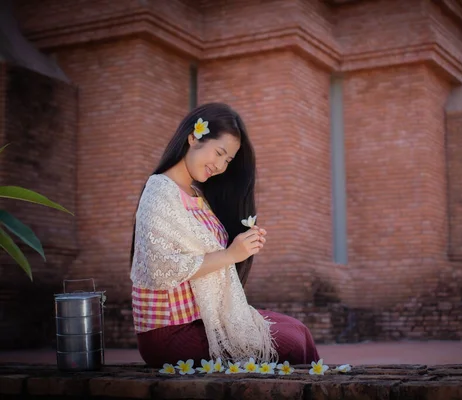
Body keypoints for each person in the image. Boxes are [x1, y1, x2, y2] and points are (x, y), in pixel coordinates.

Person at [130, 103, 320, 368]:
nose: (220, 166)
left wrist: (243, 246)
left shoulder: (196, 195)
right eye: (219, 153)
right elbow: (161, 268)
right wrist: (231, 254)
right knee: (292, 344)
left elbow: (213, 253)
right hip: (170, 332)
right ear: (194, 137)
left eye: (227, 160)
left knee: (300, 330)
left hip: (204, 319)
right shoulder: (160, 190)